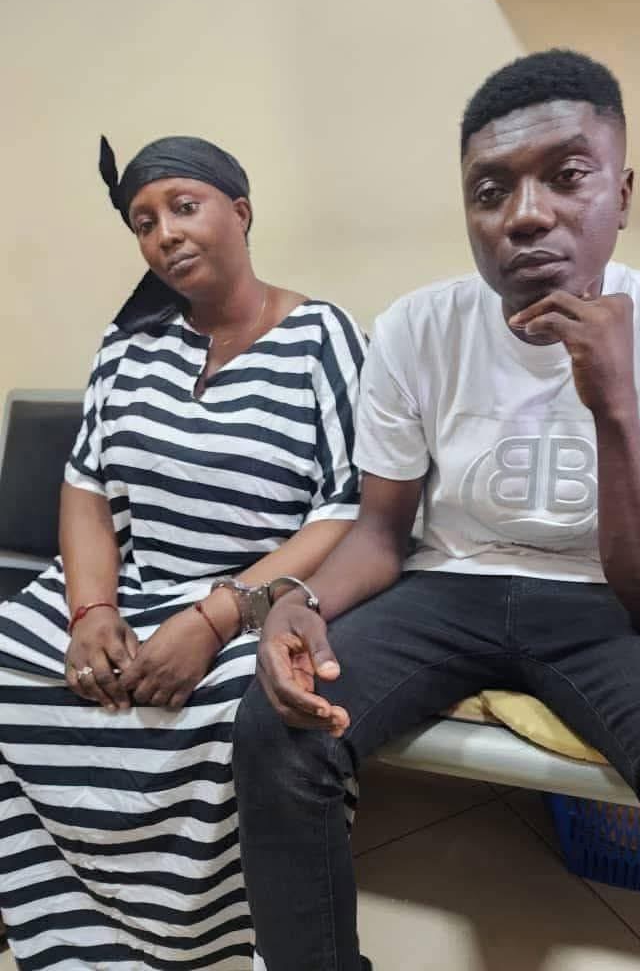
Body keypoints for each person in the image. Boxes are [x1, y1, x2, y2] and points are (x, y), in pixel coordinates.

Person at [234, 49, 640, 971]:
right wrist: (298, 603)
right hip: (448, 587)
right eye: (490, 190)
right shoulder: (415, 329)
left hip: (612, 606)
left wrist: (614, 405)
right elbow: (381, 532)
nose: (526, 215)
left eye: (567, 176)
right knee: (277, 729)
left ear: (622, 193)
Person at [0, 135, 366, 969]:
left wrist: (217, 617)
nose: (164, 233)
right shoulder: (128, 343)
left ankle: (218, 945)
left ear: (240, 212)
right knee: (12, 657)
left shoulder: (322, 337)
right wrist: (91, 612)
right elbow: (87, 489)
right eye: (143, 222)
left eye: (183, 207)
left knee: (254, 702)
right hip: (137, 584)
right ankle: (78, 939)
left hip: (265, 597)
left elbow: (350, 509)